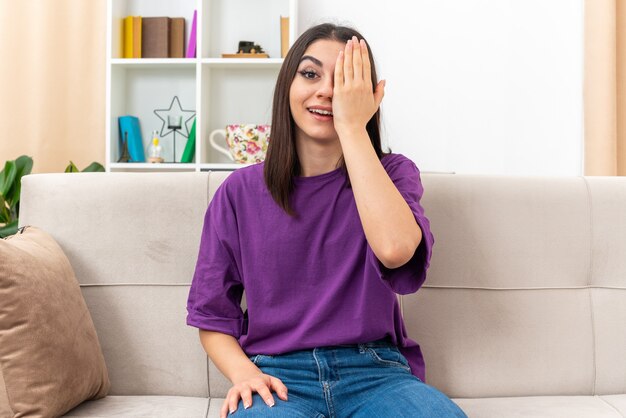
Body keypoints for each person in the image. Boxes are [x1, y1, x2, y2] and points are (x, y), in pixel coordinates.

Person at [186, 23, 467, 418]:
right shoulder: (238, 193)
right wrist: (243, 374)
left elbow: (395, 250)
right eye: (311, 73)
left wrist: (351, 127)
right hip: (278, 376)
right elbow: (213, 314)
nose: (327, 91)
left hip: (376, 374)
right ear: (288, 84)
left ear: (369, 97)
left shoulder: (395, 173)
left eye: (345, 81)